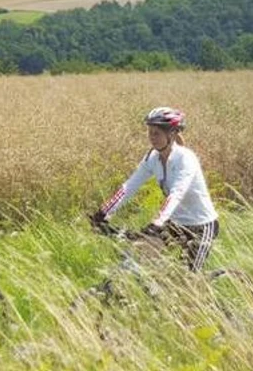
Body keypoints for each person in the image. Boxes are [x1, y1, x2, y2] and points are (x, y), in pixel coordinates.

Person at [90, 107, 220, 272]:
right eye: (150, 133)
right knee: (143, 256)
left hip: (202, 225)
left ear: (171, 134)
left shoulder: (186, 159)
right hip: (175, 223)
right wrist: (104, 212)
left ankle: (201, 294)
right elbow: (129, 186)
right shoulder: (152, 158)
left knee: (190, 278)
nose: (152, 138)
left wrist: (157, 222)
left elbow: (176, 194)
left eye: (157, 133)